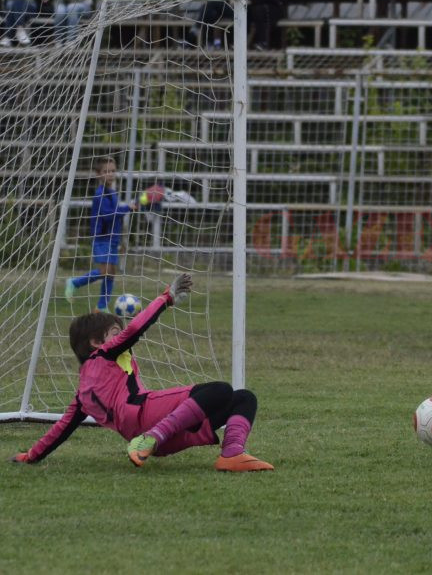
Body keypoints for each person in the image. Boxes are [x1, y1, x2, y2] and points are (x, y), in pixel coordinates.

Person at [10, 274, 273, 472]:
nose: (119, 337)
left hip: (155, 437)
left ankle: (231, 454)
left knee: (243, 398)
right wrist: (165, 298)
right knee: (220, 390)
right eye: (114, 333)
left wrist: (32, 455)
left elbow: (62, 429)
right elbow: (134, 330)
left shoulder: (82, 394)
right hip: (148, 420)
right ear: (96, 343)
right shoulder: (104, 355)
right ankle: (152, 438)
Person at [64, 157, 134, 312]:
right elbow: (109, 215)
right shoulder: (99, 194)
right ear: (98, 174)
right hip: (101, 238)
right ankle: (74, 283)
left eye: (113, 171)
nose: (110, 174)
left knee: (111, 273)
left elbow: (115, 220)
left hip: (112, 238)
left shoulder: (112, 192)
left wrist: (120, 239)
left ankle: (102, 306)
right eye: (106, 171)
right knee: (105, 271)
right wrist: (127, 208)